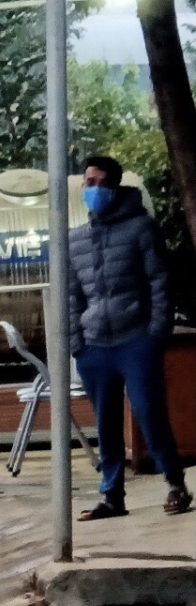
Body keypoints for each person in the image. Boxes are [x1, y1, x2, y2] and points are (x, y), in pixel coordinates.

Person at [69, 155, 191, 521]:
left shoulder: (141, 228)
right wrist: (77, 342)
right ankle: (112, 497)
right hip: (94, 346)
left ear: (114, 186)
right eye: (87, 183)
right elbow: (71, 295)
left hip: (135, 340)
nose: (92, 189)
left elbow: (160, 282)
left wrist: (156, 334)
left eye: (99, 183)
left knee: (148, 411)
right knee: (105, 423)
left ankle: (175, 483)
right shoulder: (75, 240)